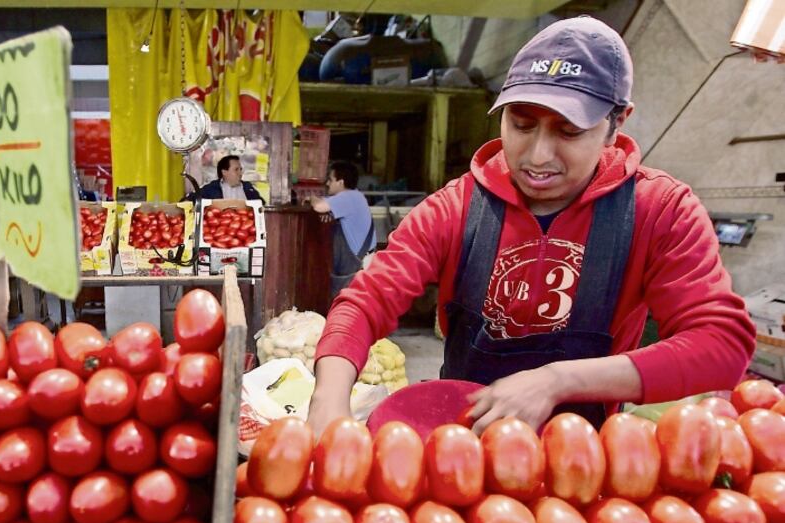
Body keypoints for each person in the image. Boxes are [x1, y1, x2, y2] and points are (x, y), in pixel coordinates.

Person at [307, 16, 756, 436]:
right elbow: (365, 303)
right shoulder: (457, 207)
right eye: (521, 124)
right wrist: (329, 401)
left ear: (616, 124)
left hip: (581, 459)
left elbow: (722, 345)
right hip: (460, 450)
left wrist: (558, 381)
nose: (538, 155)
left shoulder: (659, 210)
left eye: (569, 131)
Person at [310, 161, 376, 298]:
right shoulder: (354, 197)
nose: (327, 183)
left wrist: (311, 197)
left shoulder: (349, 197)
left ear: (340, 182)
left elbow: (319, 206)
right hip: (355, 267)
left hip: (355, 269)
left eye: (330, 179)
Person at [195, 155, 263, 201]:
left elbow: (260, 204)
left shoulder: (248, 187)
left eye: (240, 169)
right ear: (224, 172)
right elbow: (191, 200)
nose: (240, 173)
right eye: (236, 169)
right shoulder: (211, 188)